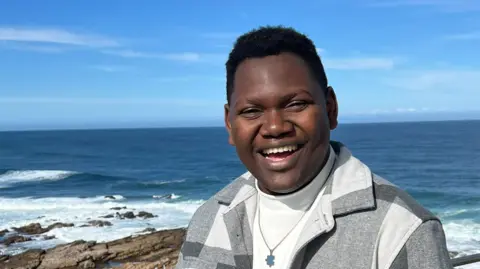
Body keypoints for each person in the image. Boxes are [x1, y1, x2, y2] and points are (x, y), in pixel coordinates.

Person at [174, 26, 453, 269]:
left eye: (296, 104)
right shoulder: (210, 219)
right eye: (251, 111)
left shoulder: (401, 230)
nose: (274, 127)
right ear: (229, 124)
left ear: (330, 109)